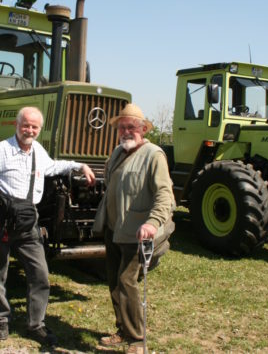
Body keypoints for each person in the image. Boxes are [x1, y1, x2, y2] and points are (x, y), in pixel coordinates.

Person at [0, 106, 96, 346]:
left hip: (27, 221)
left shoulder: (38, 151)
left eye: (35, 127)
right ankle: (1, 320)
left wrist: (79, 166)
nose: (30, 130)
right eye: (26, 125)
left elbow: (53, 166)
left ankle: (36, 324)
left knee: (40, 274)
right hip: (1, 220)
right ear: (16, 124)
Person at [93, 103, 175, 354]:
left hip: (136, 231)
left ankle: (138, 340)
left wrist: (152, 223)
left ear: (143, 129)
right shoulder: (118, 153)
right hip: (114, 228)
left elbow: (164, 194)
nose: (126, 132)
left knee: (126, 281)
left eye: (131, 127)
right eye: (122, 128)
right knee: (114, 282)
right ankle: (122, 330)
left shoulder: (154, 155)